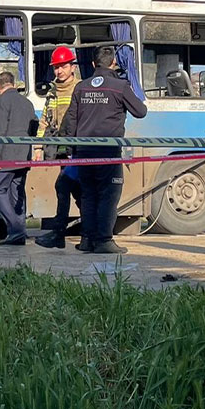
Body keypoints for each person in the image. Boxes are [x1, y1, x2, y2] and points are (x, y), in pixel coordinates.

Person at [60, 45, 147, 254]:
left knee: (88, 195)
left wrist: (73, 150)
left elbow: (71, 121)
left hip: (83, 151)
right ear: (114, 63)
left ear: (93, 64)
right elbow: (141, 111)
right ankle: (104, 240)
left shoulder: (81, 87)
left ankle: (87, 240)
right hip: (108, 151)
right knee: (109, 194)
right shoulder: (120, 86)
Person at [34, 46, 84, 249]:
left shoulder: (81, 89)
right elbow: (44, 121)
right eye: (56, 67)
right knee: (75, 190)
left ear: (73, 67)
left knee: (64, 187)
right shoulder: (52, 92)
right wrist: (38, 147)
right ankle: (89, 231)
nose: (59, 71)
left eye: (63, 66)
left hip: (78, 149)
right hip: (62, 150)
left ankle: (60, 234)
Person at [0, 71, 38, 245]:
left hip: (7, 155)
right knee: (17, 193)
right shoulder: (27, 102)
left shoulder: (2, 101)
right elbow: (34, 126)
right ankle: (18, 233)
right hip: (24, 154)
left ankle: (17, 229)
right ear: (13, 84)